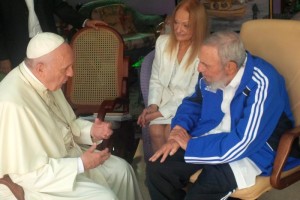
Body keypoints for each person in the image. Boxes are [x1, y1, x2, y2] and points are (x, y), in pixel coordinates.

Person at [146, 31, 300, 200]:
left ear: (230, 67)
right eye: (200, 62)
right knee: (158, 169)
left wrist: (191, 145)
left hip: (252, 151)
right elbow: (194, 102)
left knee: (200, 194)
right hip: (210, 135)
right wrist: (179, 129)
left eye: (205, 65)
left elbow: (244, 141)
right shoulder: (211, 72)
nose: (199, 68)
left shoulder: (264, 82)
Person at [0, 32, 143, 200]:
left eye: (71, 66)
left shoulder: (45, 80)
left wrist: (92, 130)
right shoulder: (12, 104)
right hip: (41, 183)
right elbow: (28, 176)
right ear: (40, 68)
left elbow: (67, 124)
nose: (71, 74)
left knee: (122, 171)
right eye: (65, 69)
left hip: (68, 159)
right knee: (104, 197)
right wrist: (80, 164)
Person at [137, 0, 209, 152]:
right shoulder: (162, 43)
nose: (178, 29)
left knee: (171, 131)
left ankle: (175, 173)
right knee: (155, 131)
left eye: (186, 25)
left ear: (198, 26)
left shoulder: (205, 50)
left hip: (188, 106)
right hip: (163, 102)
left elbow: (192, 93)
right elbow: (156, 79)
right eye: (176, 23)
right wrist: (152, 106)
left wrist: (159, 113)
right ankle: (160, 171)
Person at [0, 0, 105, 74]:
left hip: (47, 42)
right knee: (22, 84)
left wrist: (85, 22)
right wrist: (3, 57)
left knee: (53, 79)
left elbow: (60, 6)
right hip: (17, 47)